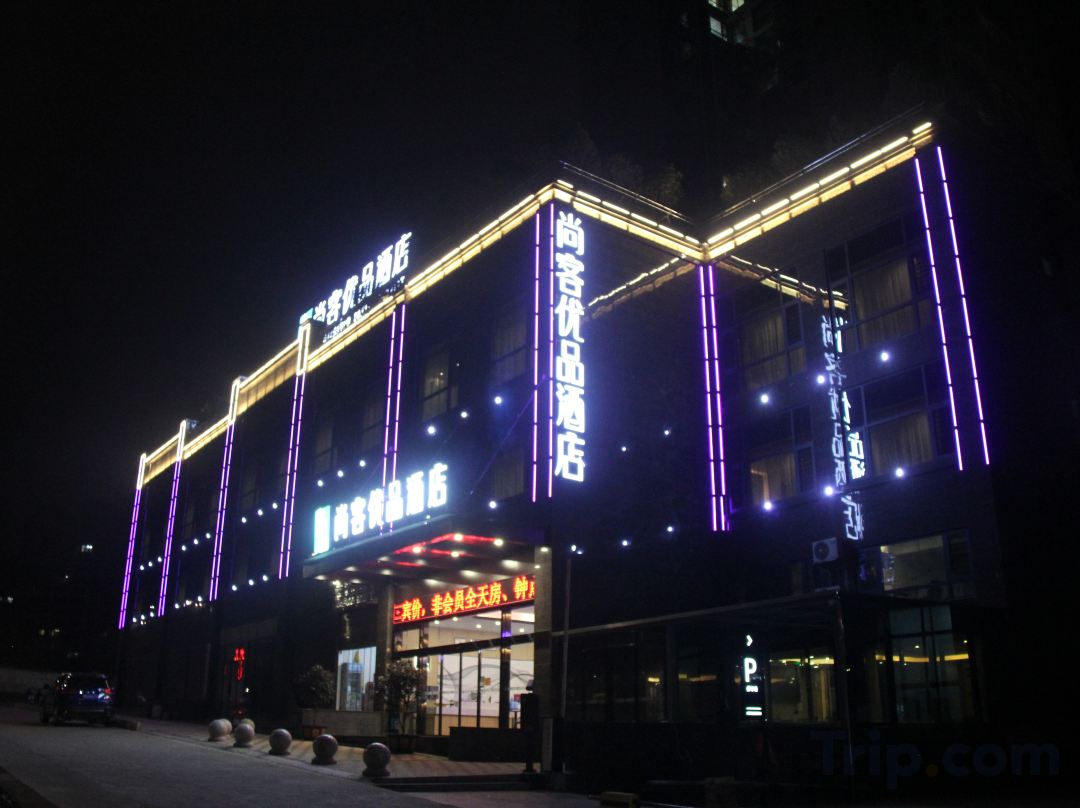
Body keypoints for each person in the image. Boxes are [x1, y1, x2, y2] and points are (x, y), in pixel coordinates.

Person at [520, 679, 538, 773]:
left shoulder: (529, 700)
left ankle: (529, 766)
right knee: (530, 747)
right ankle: (529, 766)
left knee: (529, 747)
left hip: (528, 726)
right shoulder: (534, 700)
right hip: (531, 726)